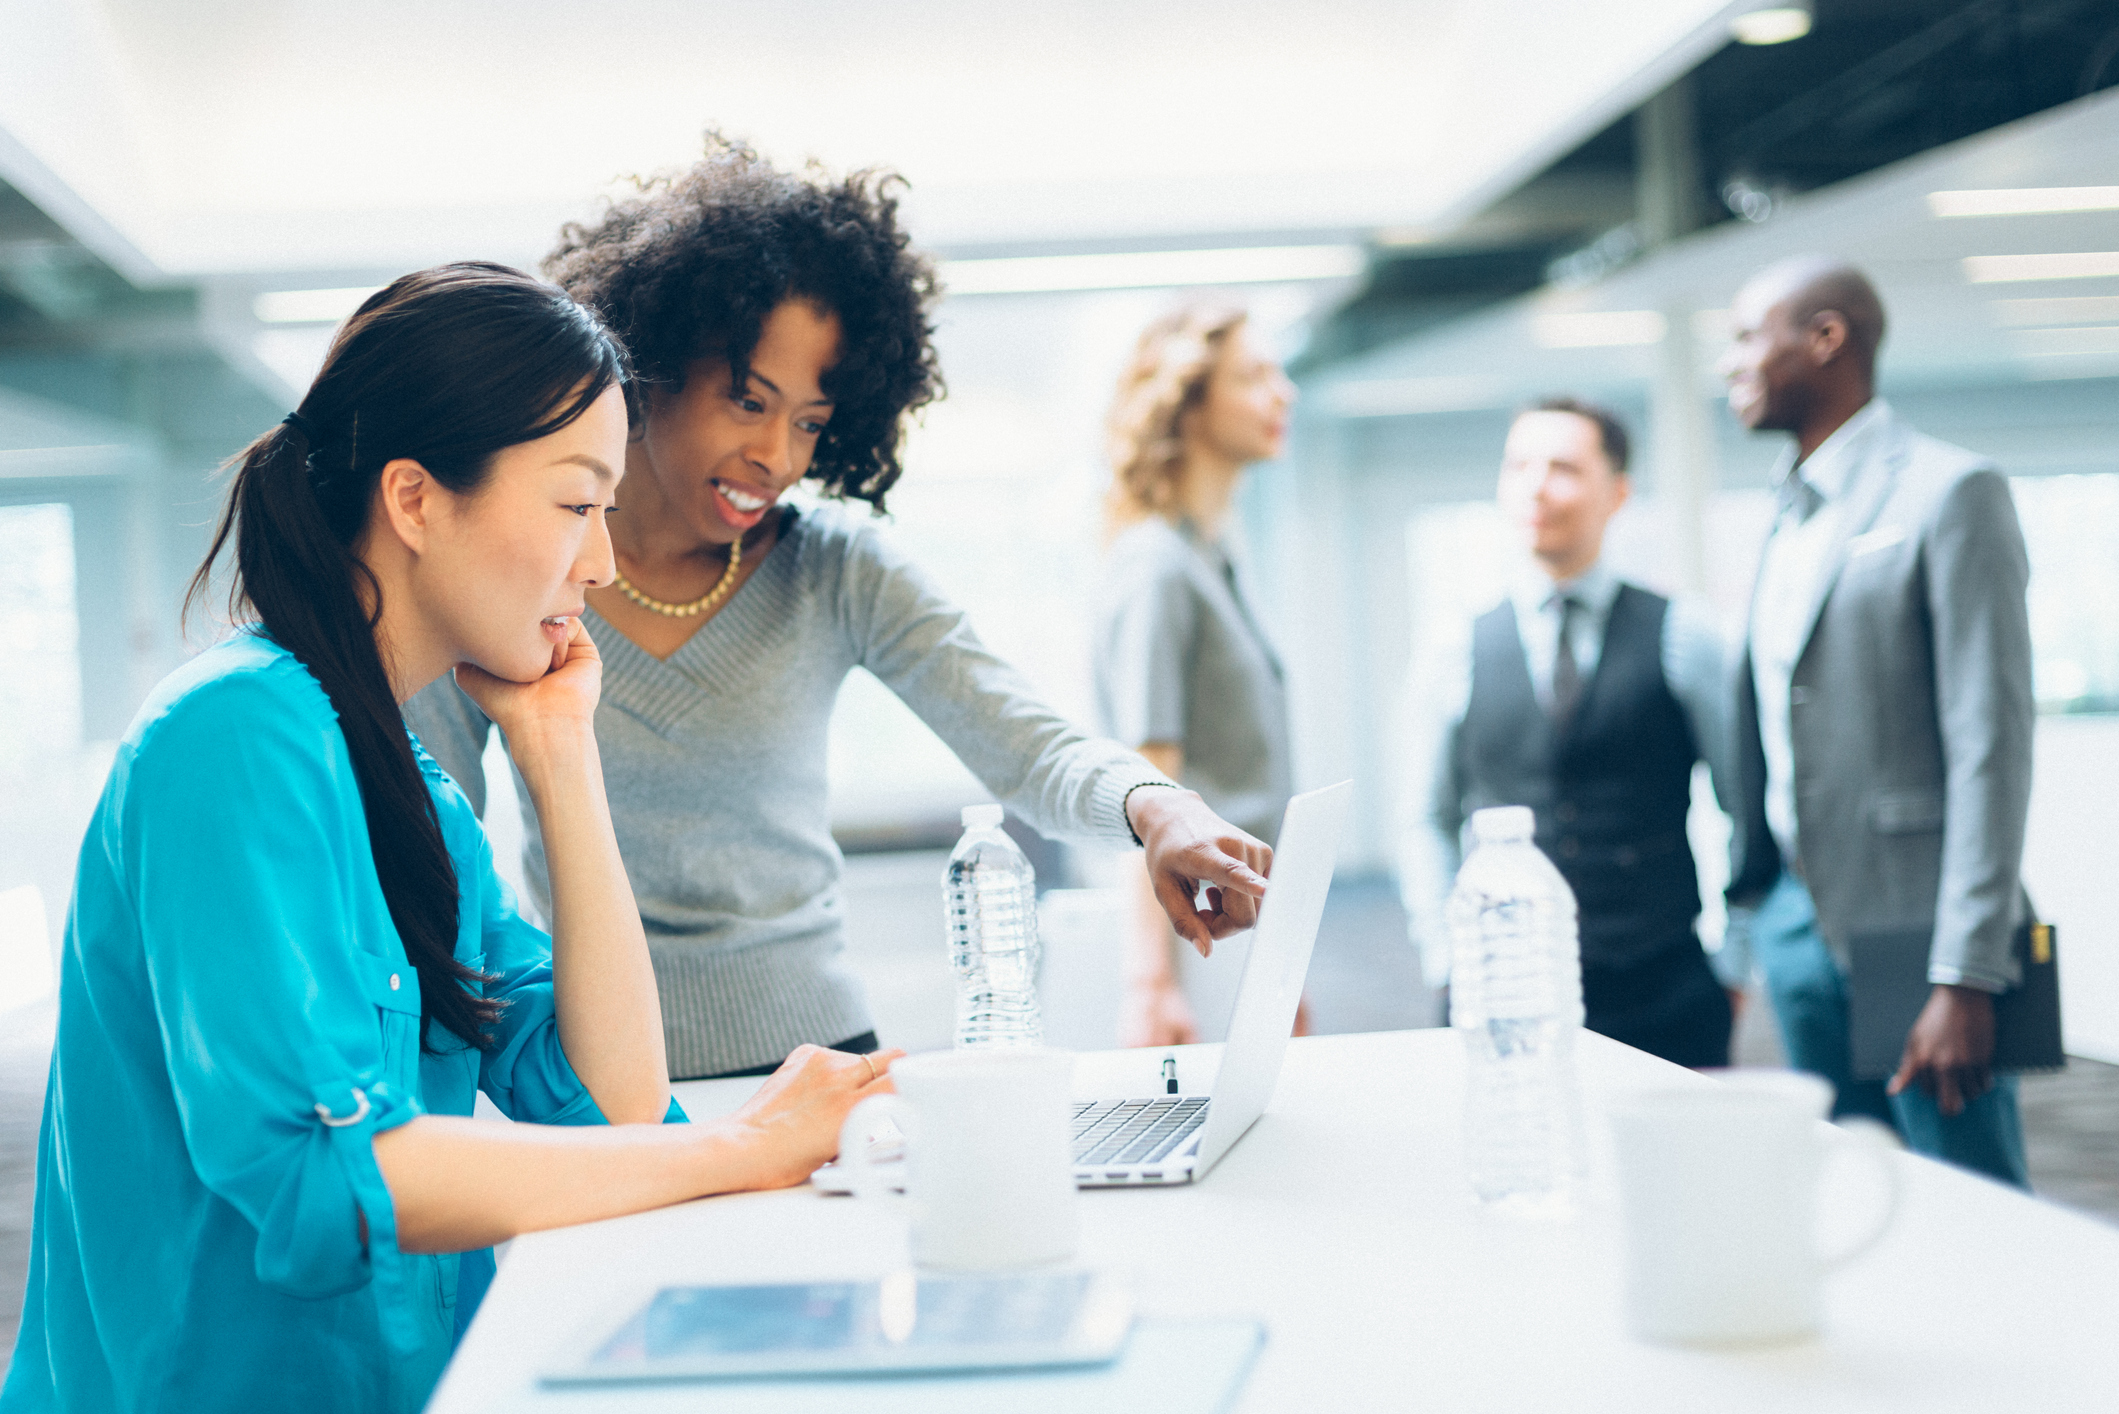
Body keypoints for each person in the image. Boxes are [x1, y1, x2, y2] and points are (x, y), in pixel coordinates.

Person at [0, 265, 897, 1414]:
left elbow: (611, 1104)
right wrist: (748, 1144)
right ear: (417, 500)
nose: (602, 564)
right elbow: (324, 1180)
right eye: (576, 505)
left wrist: (561, 757)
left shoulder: (410, 787)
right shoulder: (232, 736)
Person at [403, 137, 1272, 1081]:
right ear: (649, 367)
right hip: (599, 1079)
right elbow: (434, 845)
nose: (778, 456)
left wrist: (1157, 807)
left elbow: (1027, 747)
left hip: (817, 1065)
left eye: (810, 421)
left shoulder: (837, 571)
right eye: (749, 401)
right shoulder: (522, 581)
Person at [1718, 256, 2031, 1185]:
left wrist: (1965, 970)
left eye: (1746, 337)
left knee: (1966, 1197)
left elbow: (1989, 744)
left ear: (1825, 338)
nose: (1729, 363)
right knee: (1851, 1192)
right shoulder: (1784, 511)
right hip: (1795, 919)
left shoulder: (1950, 490)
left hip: (1914, 927)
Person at [1400, 398, 1745, 1067]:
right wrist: (1444, 960)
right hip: (1502, 992)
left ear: (1617, 493)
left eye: (1563, 468)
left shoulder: (1684, 634)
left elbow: (1745, 807)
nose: (1535, 487)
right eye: (1517, 466)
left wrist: (1736, 958)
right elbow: (1425, 819)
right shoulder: (1454, 646)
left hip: (1663, 987)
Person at [1092, 304, 1302, 1047]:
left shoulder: (1211, 557)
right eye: (1251, 376)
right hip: (1198, 942)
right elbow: (1147, 789)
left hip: (1240, 931)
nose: (1282, 392)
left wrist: (1282, 960)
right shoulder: (1156, 566)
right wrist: (1151, 986)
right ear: (1187, 404)